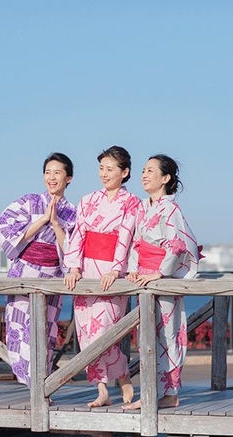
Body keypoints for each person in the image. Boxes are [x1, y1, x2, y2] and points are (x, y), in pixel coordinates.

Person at [64, 146, 140, 407]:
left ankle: (122, 374)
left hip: (111, 271)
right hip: (86, 269)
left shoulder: (132, 203)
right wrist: (73, 266)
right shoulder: (87, 200)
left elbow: (127, 236)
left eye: (110, 169)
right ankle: (102, 390)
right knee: (86, 332)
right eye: (101, 168)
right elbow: (78, 234)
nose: (104, 174)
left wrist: (117, 269)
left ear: (125, 172)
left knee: (106, 329)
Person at [122, 154, 200, 410]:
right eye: (143, 170)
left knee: (167, 336)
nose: (144, 175)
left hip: (160, 280)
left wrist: (161, 272)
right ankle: (152, 392)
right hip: (143, 277)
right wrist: (133, 269)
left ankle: (167, 393)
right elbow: (136, 243)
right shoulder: (143, 208)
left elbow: (177, 245)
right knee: (146, 336)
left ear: (165, 178)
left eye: (151, 171)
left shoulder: (170, 209)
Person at [0, 152, 77, 386]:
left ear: (68, 178)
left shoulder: (72, 212)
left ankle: (41, 386)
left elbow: (71, 249)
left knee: (45, 333)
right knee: (21, 333)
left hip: (52, 277)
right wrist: (41, 220)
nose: (51, 177)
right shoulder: (28, 202)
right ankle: (32, 386)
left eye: (57, 172)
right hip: (24, 273)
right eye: (47, 172)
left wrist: (55, 223)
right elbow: (3, 227)